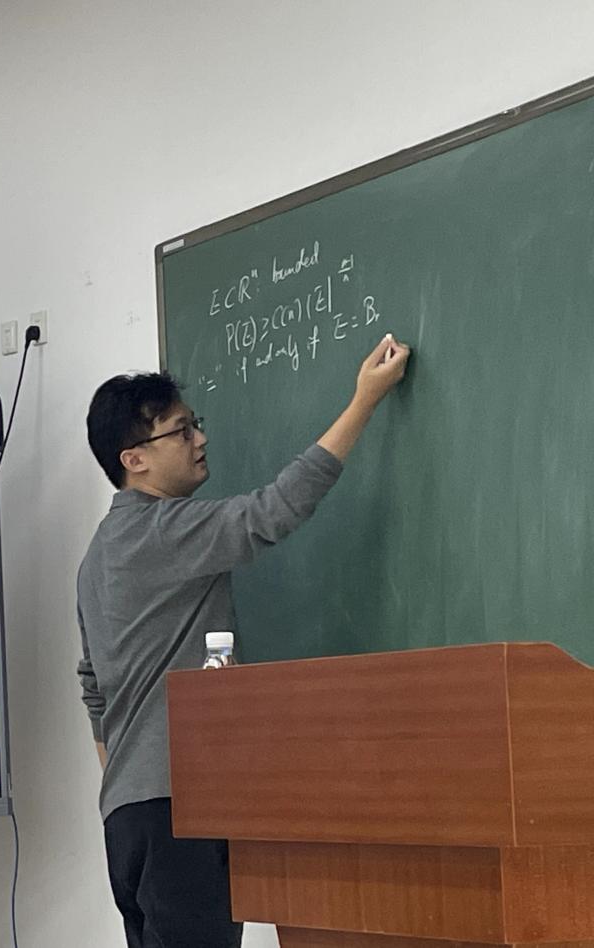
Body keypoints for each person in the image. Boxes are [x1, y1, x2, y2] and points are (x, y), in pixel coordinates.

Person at [77, 333, 411, 947]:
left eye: (194, 424)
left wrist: (130, 780)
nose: (200, 439)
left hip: (129, 818)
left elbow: (93, 689)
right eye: (181, 431)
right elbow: (273, 510)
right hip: (178, 808)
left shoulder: (97, 556)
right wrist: (364, 399)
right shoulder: (163, 532)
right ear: (135, 459)